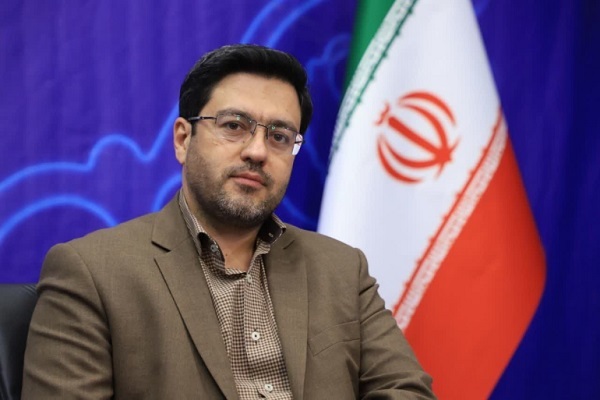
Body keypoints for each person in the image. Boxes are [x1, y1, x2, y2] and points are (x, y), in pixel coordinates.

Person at [22, 44, 436, 399]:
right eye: (234, 126)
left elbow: (405, 390)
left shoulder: (342, 269)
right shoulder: (93, 273)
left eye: (279, 136)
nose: (257, 151)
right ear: (183, 139)